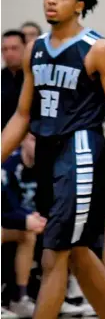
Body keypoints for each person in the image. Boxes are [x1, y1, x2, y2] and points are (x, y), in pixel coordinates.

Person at [1, 0, 105, 319]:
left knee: (54, 253)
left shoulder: (99, 49)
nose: (51, 1)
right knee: (80, 252)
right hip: (48, 155)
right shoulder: (35, 49)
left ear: (79, 3)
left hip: (81, 153)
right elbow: (22, 116)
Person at [1, 133, 43, 317]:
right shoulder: (9, 165)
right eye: (34, 140)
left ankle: (19, 298)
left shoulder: (45, 166)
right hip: (7, 222)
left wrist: (37, 218)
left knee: (57, 232)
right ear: (23, 140)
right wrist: (26, 219)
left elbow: (48, 201)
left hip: (19, 222)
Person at [2, 30, 26, 131]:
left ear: (25, 48)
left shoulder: (36, 77)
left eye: (14, 48)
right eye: (5, 49)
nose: (9, 53)